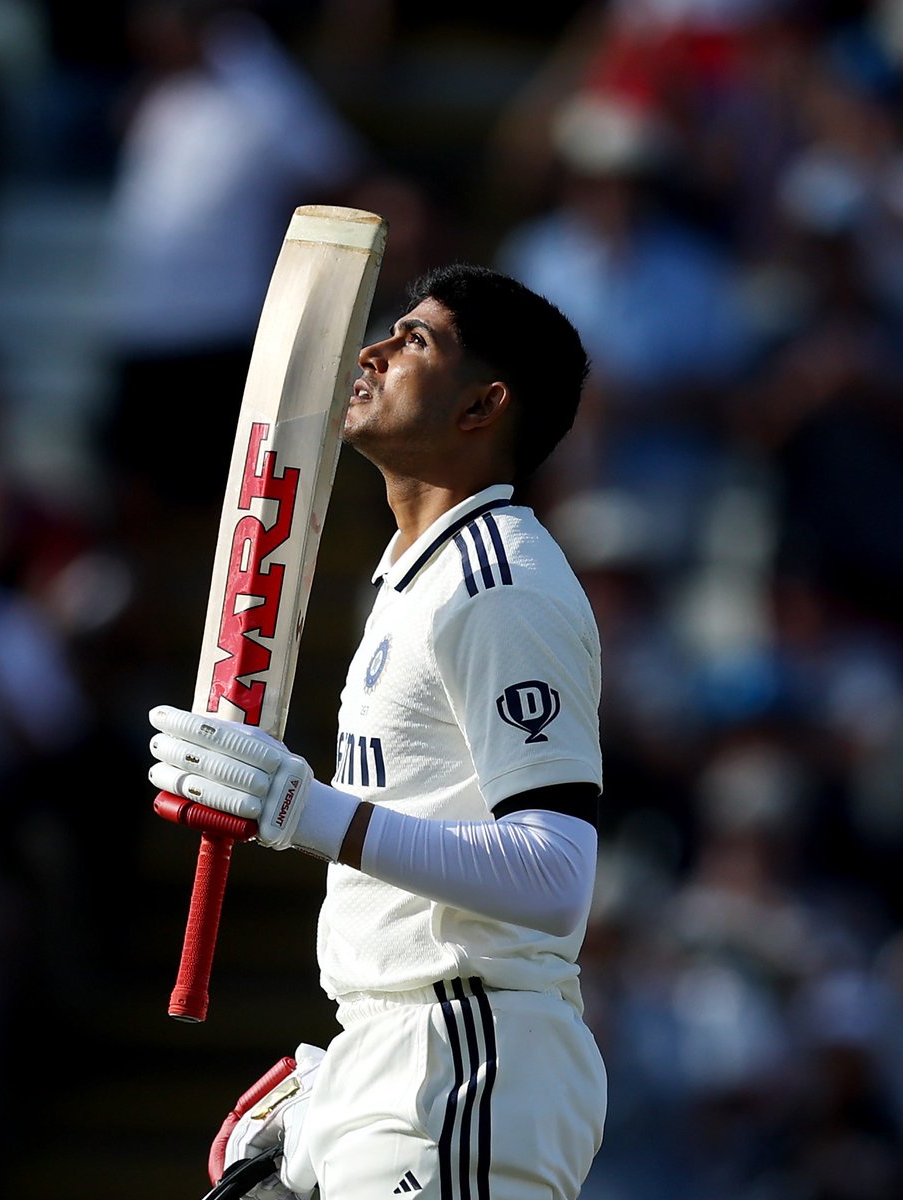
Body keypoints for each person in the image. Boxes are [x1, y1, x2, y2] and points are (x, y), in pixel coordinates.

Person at [148, 263, 607, 1199]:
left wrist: (298, 808)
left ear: (483, 405)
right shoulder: (418, 575)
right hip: (396, 1050)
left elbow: (556, 875)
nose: (374, 351)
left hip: (468, 1057)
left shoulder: (499, 583)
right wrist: (337, 1091)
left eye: (416, 340)